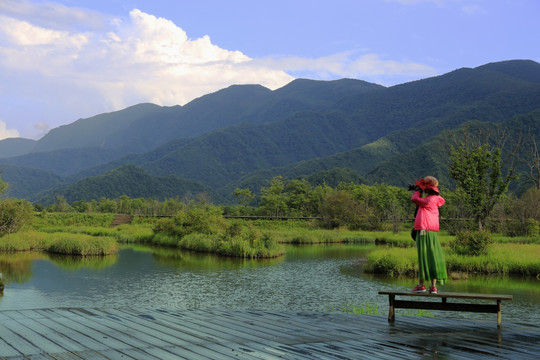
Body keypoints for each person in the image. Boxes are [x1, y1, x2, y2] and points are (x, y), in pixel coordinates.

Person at [410, 176, 447, 294]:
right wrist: (421, 190)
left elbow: (414, 199)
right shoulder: (435, 199)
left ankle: (421, 285)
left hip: (423, 231)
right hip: (431, 232)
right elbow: (440, 199)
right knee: (432, 257)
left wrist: (418, 191)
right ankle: (433, 287)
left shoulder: (428, 200)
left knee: (423, 257)